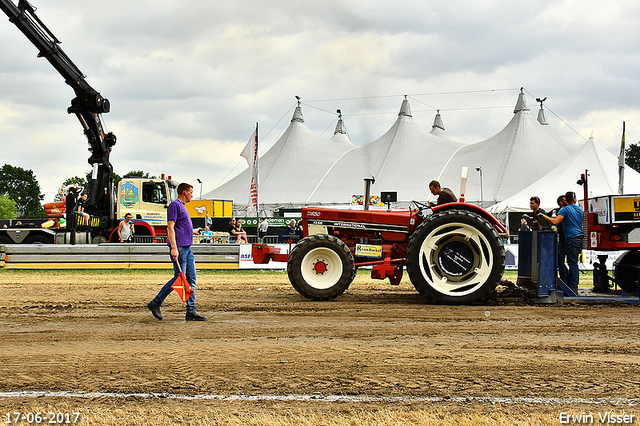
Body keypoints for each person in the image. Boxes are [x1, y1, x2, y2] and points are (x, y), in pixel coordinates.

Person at [147, 183, 206, 321]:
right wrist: (174, 248)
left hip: (186, 248)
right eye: (191, 192)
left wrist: (193, 231)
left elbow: (180, 228)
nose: (192, 194)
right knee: (179, 279)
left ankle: (191, 311)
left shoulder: (182, 207)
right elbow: (170, 227)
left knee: (191, 279)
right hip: (179, 248)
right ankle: (155, 303)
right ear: (184, 192)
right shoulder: (175, 205)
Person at [542, 191, 584, 294]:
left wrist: (543, 216)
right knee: (573, 263)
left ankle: (572, 287)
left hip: (570, 238)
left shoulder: (564, 209)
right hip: (579, 237)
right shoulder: (579, 209)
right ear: (575, 199)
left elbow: (555, 222)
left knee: (570, 263)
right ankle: (572, 284)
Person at [549, 195, 568, 283]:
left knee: (569, 262)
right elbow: (552, 220)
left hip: (568, 238)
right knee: (560, 261)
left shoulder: (567, 210)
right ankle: (564, 280)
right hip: (562, 239)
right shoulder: (556, 211)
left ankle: (567, 281)